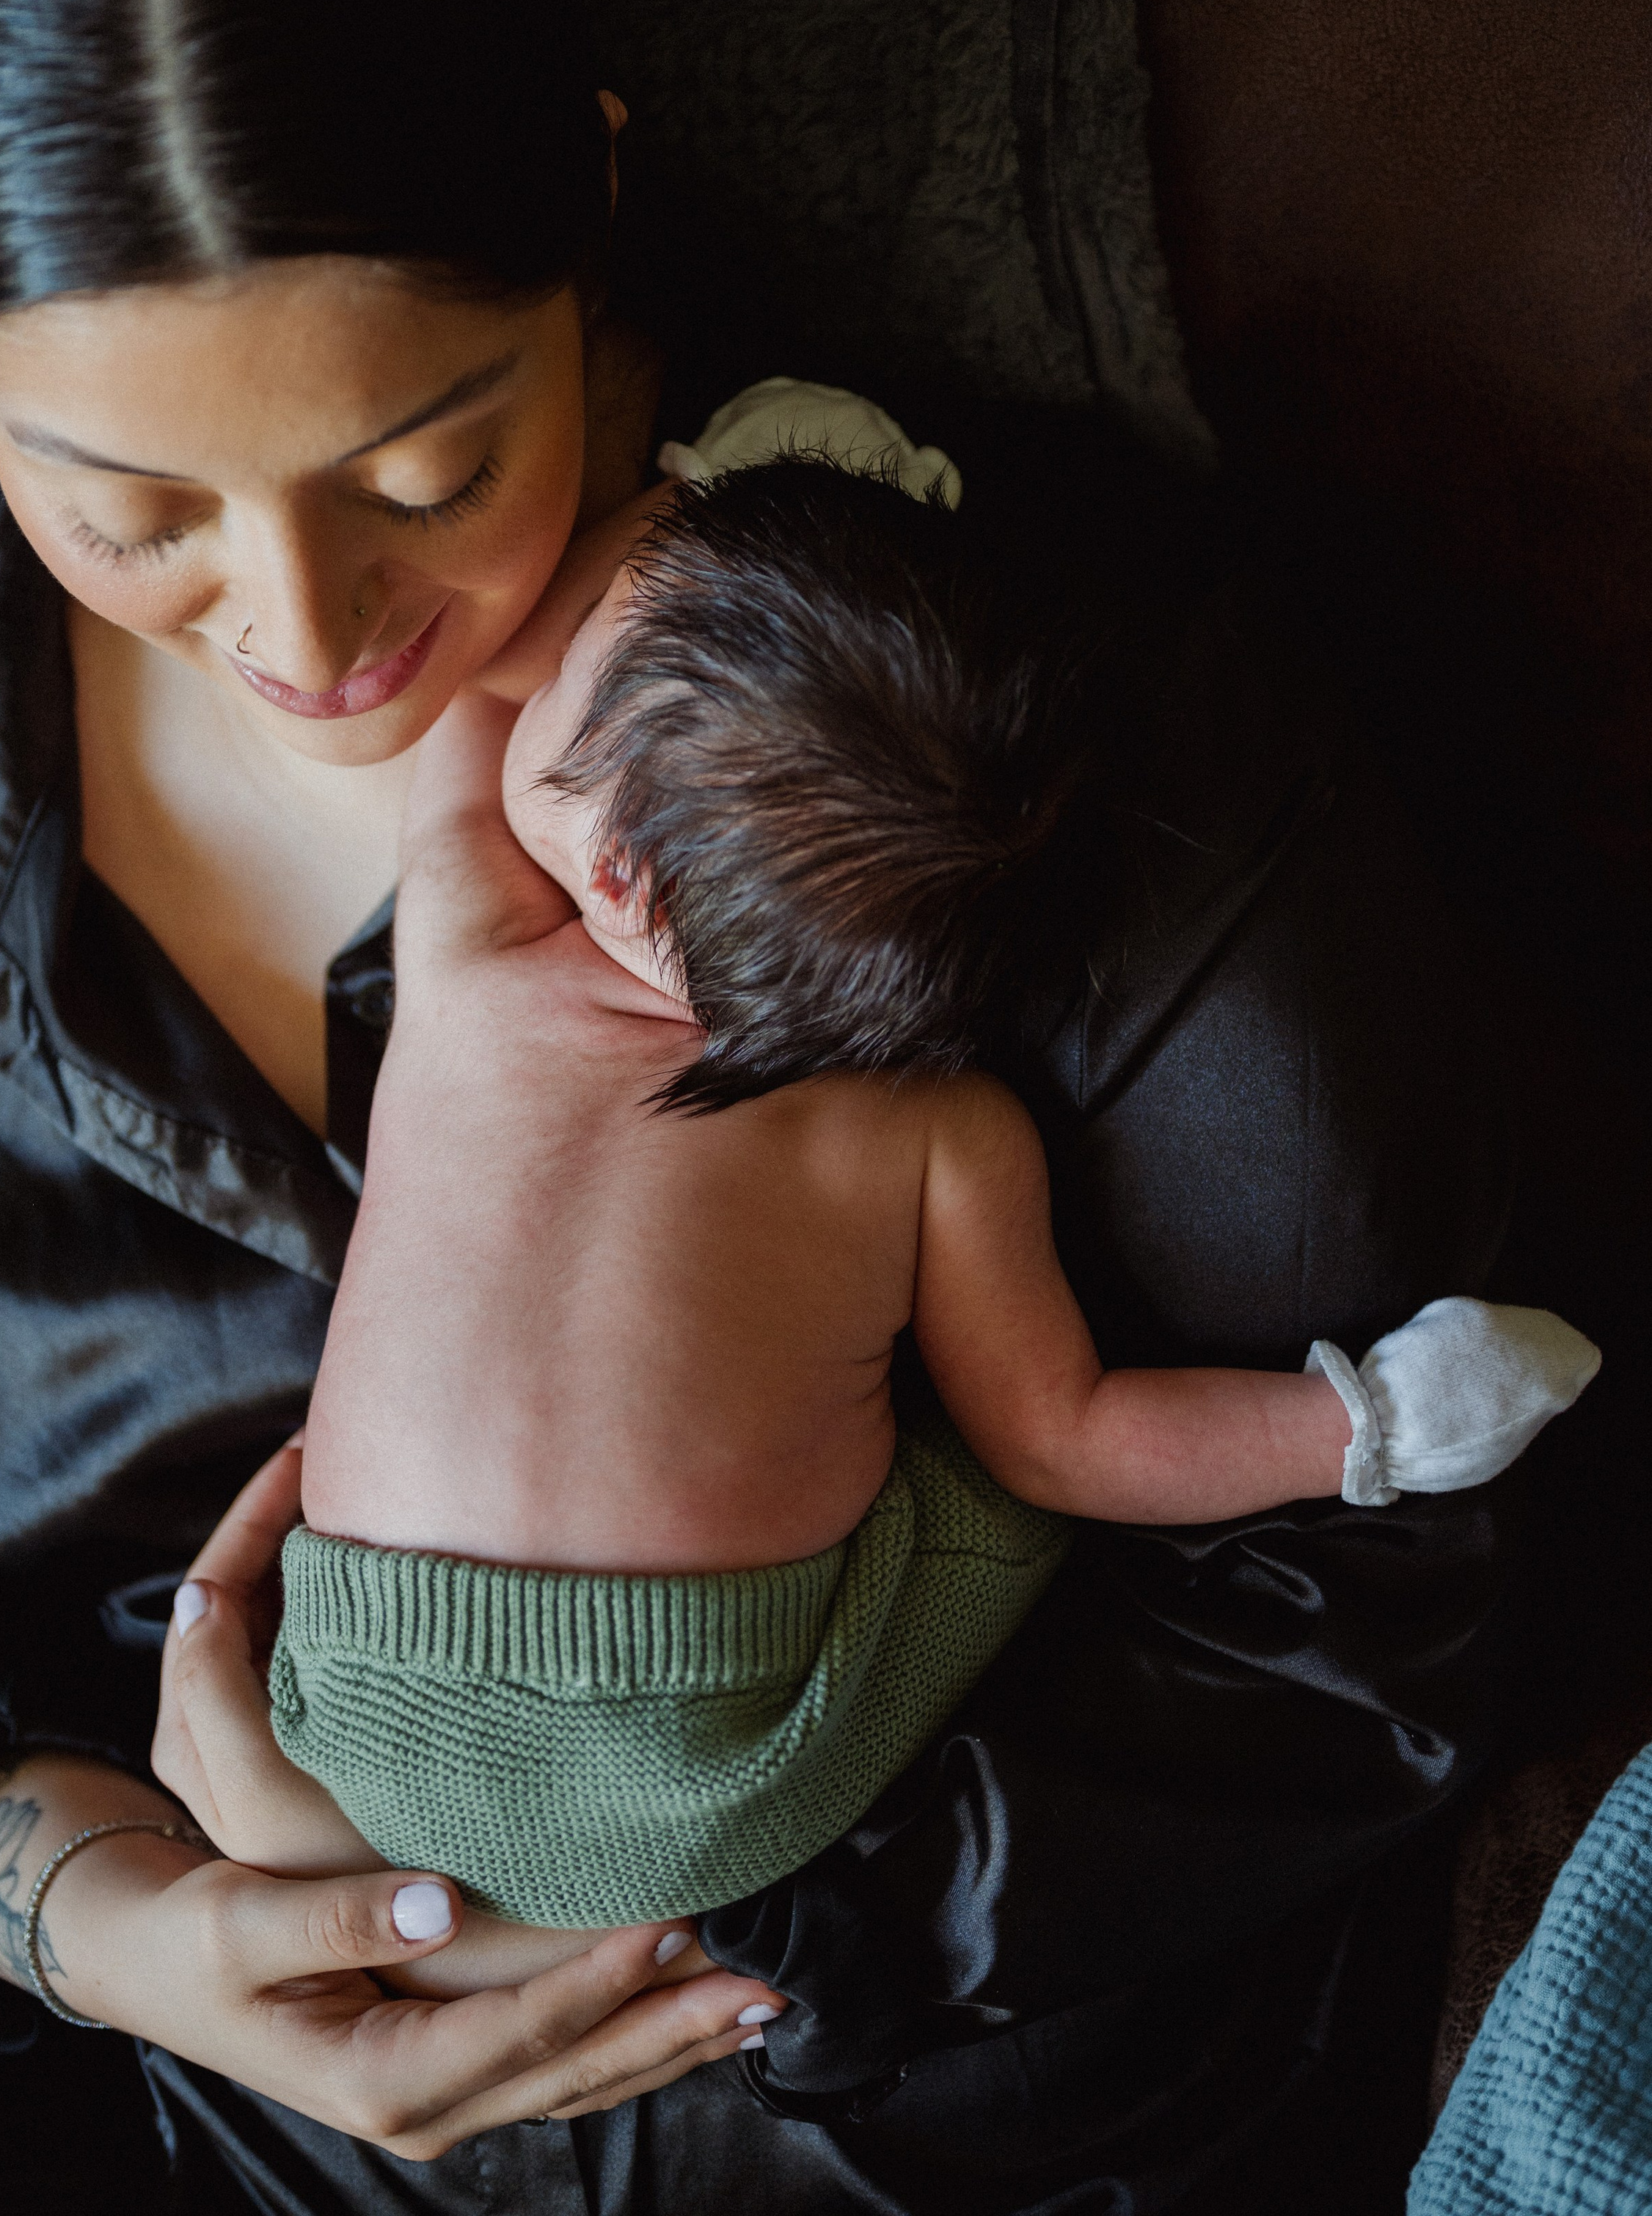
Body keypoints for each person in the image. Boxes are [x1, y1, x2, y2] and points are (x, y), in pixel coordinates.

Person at [0, 0, 1542, 2214]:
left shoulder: (1049, 727)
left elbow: (1389, 1598)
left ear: (592, 194)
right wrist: (94, 1915)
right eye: (126, 508)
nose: (308, 632)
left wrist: (673, 1907)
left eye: (422, 464)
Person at [220, 458, 1591, 1937]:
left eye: (577, 670)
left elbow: (473, 686)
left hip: (350, 1694)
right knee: (994, 1457)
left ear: (612, 870)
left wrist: (671, 485)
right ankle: (1382, 1428)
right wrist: (1355, 1420)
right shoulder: (937, 1131)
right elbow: (1069, 1439)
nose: (539, 665)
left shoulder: (472, 960)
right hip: (695, 1797)